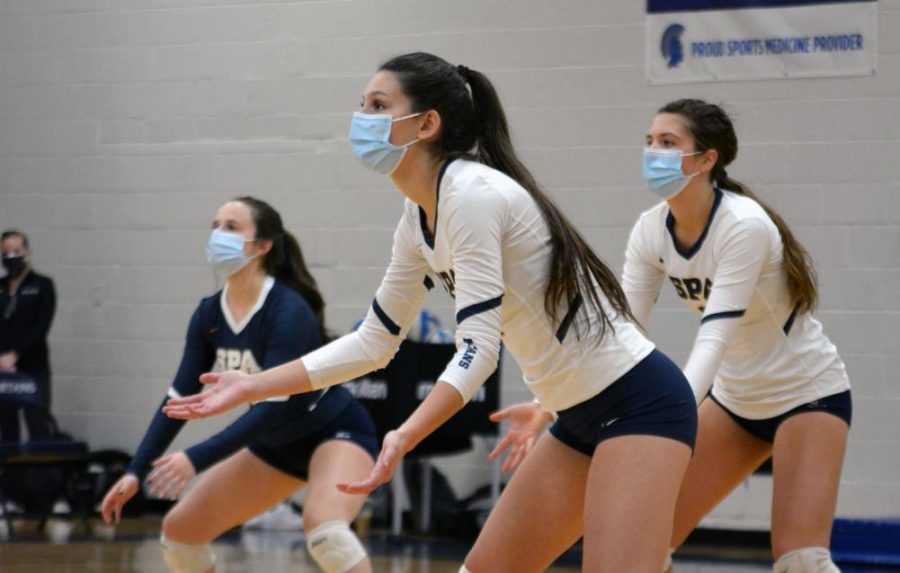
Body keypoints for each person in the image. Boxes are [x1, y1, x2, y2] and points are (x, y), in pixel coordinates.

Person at [163, 52, 698, 573]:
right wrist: (251, 387)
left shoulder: (472, 194)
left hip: (640, 403)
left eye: (377, 105)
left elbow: (479, 349)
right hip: (574, 413)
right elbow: (375, 340)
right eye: (362, 104)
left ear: (426, 124)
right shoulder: (418, 214)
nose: (361, 118)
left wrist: (405, 433)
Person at [490, 98, 852, 573]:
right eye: (649, 142)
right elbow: (617, 338)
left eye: (668, 142)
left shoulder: (744, 225)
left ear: (707, 160)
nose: (653, 152)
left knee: (801, 561)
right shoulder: (650, 229)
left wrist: (667, 412)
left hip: (808, 394)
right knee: (647, 545)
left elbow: (713, 339)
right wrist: (546, 404)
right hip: (735, 401)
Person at [100, 197, 378, 573]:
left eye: (231, 227)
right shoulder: (209, 314)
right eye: (215, 225)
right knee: (180, 533)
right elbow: (179, 398)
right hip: (276, 445)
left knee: (326, 530)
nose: (218, 234)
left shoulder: (287, 310)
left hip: (333, 432)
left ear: (263, 246)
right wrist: (135, 470)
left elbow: (272, 407)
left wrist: (193, 459)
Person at [0, 230, 57, 442]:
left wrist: (15, 355)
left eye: (16, 251)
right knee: (7, 430)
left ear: (27, 253)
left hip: (33, 367)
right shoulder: (1, 287)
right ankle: (10, 476)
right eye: (6, 253)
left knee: (38, 425)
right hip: (3, 371)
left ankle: (41, 476)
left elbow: (41, 326)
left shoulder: (42, 285)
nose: (11, 257)